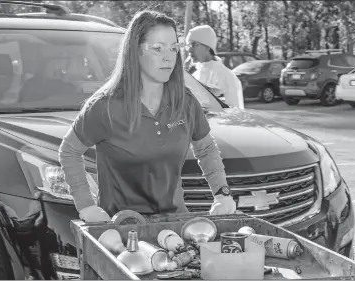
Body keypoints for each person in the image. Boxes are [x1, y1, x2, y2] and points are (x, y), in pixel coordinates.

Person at [58, 10, 236, 223]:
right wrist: (86, 205)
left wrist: (222, 194)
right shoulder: (105, 106)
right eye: (158, 49)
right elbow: (69, 151)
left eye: (173, 48)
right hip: (121, 229)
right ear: (136, 51)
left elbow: (206, 149)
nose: (168, 57)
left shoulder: (185, 102)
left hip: (176, 224)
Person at [184, 25, 245, 110]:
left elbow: (237, 116)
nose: (189, 50)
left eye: (194, 44)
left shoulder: (229, 78)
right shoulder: (194, 76)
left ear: (208, 46)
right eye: (188, 45)